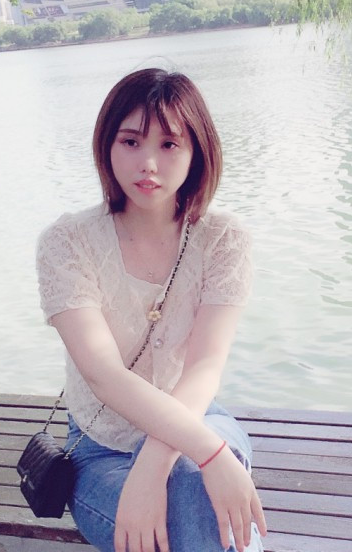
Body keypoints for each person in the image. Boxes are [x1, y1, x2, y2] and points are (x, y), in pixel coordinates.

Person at [36, 68, 267, 552]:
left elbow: (205, 366)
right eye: (131, 141)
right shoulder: (67, 243)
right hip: (100, 446)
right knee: (197, 510)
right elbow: (102, 375)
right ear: (107, 146)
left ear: (197, 151)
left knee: (190, 483)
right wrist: (208, 455)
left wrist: (159, 461)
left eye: (169, 144)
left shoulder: (223, 239)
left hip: (198, 419)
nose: (148, 164)